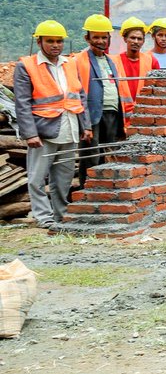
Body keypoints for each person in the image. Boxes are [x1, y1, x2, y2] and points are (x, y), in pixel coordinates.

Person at [14, 20, 92, 227]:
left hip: (70, 129)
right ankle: (43, 217)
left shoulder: (70, 63)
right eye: (50, 41)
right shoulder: (26, 66)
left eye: (59, 41)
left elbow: (80, 96)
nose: (55, 45)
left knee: (64, 177)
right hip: (43, 131)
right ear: (39, 42)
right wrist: (30, 134)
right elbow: (22, 103)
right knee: (37, 178)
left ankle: (61, 214)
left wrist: (86, 126)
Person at [72, 15, 124, 187]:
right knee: (90, 155)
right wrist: (83, 122)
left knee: (108, 154)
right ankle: (87, 192)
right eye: (96, 37)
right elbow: (76, 92)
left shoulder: (111, 61)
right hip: (92, 115)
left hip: (112, 112)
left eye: (104, 37)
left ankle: (104, 192)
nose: (101, 41)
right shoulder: (79, 60)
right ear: (87, 38)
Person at [114, 17, 154, 114]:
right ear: (125, 39)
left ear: (143, 41)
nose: (136, 41)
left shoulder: (151, 61)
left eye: (139, 39)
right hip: (120, 115)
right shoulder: (114, 61)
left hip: (144, 114)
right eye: (132, 38)